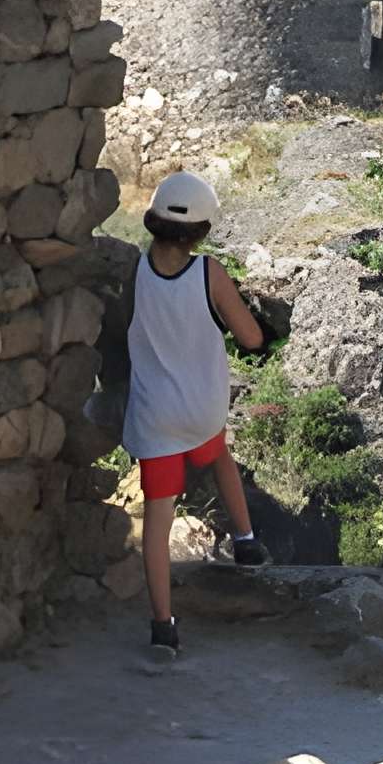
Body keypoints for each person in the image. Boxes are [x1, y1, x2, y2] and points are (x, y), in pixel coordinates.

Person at [124, 170, 272, 664]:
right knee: (218, 455)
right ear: (201, 231)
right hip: (203, 410)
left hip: (156, 419)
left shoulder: (134, 270)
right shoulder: (208, 273)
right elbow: (251, 337)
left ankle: (163, 628)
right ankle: (246, 542)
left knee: (158, 522)